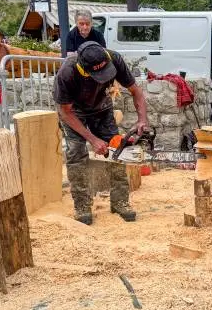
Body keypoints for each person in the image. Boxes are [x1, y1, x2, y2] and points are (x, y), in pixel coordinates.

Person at [54, 41, 149, 225]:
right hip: (74, 113)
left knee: (117, 148)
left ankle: (120, 202)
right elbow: (65, 112)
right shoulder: (68, 72)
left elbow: (135, 91)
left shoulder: (113, 58)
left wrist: (142, 120)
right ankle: (82, 205)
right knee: (76, 153)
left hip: (102, 108)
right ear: (84, 69)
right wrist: (92, 139)